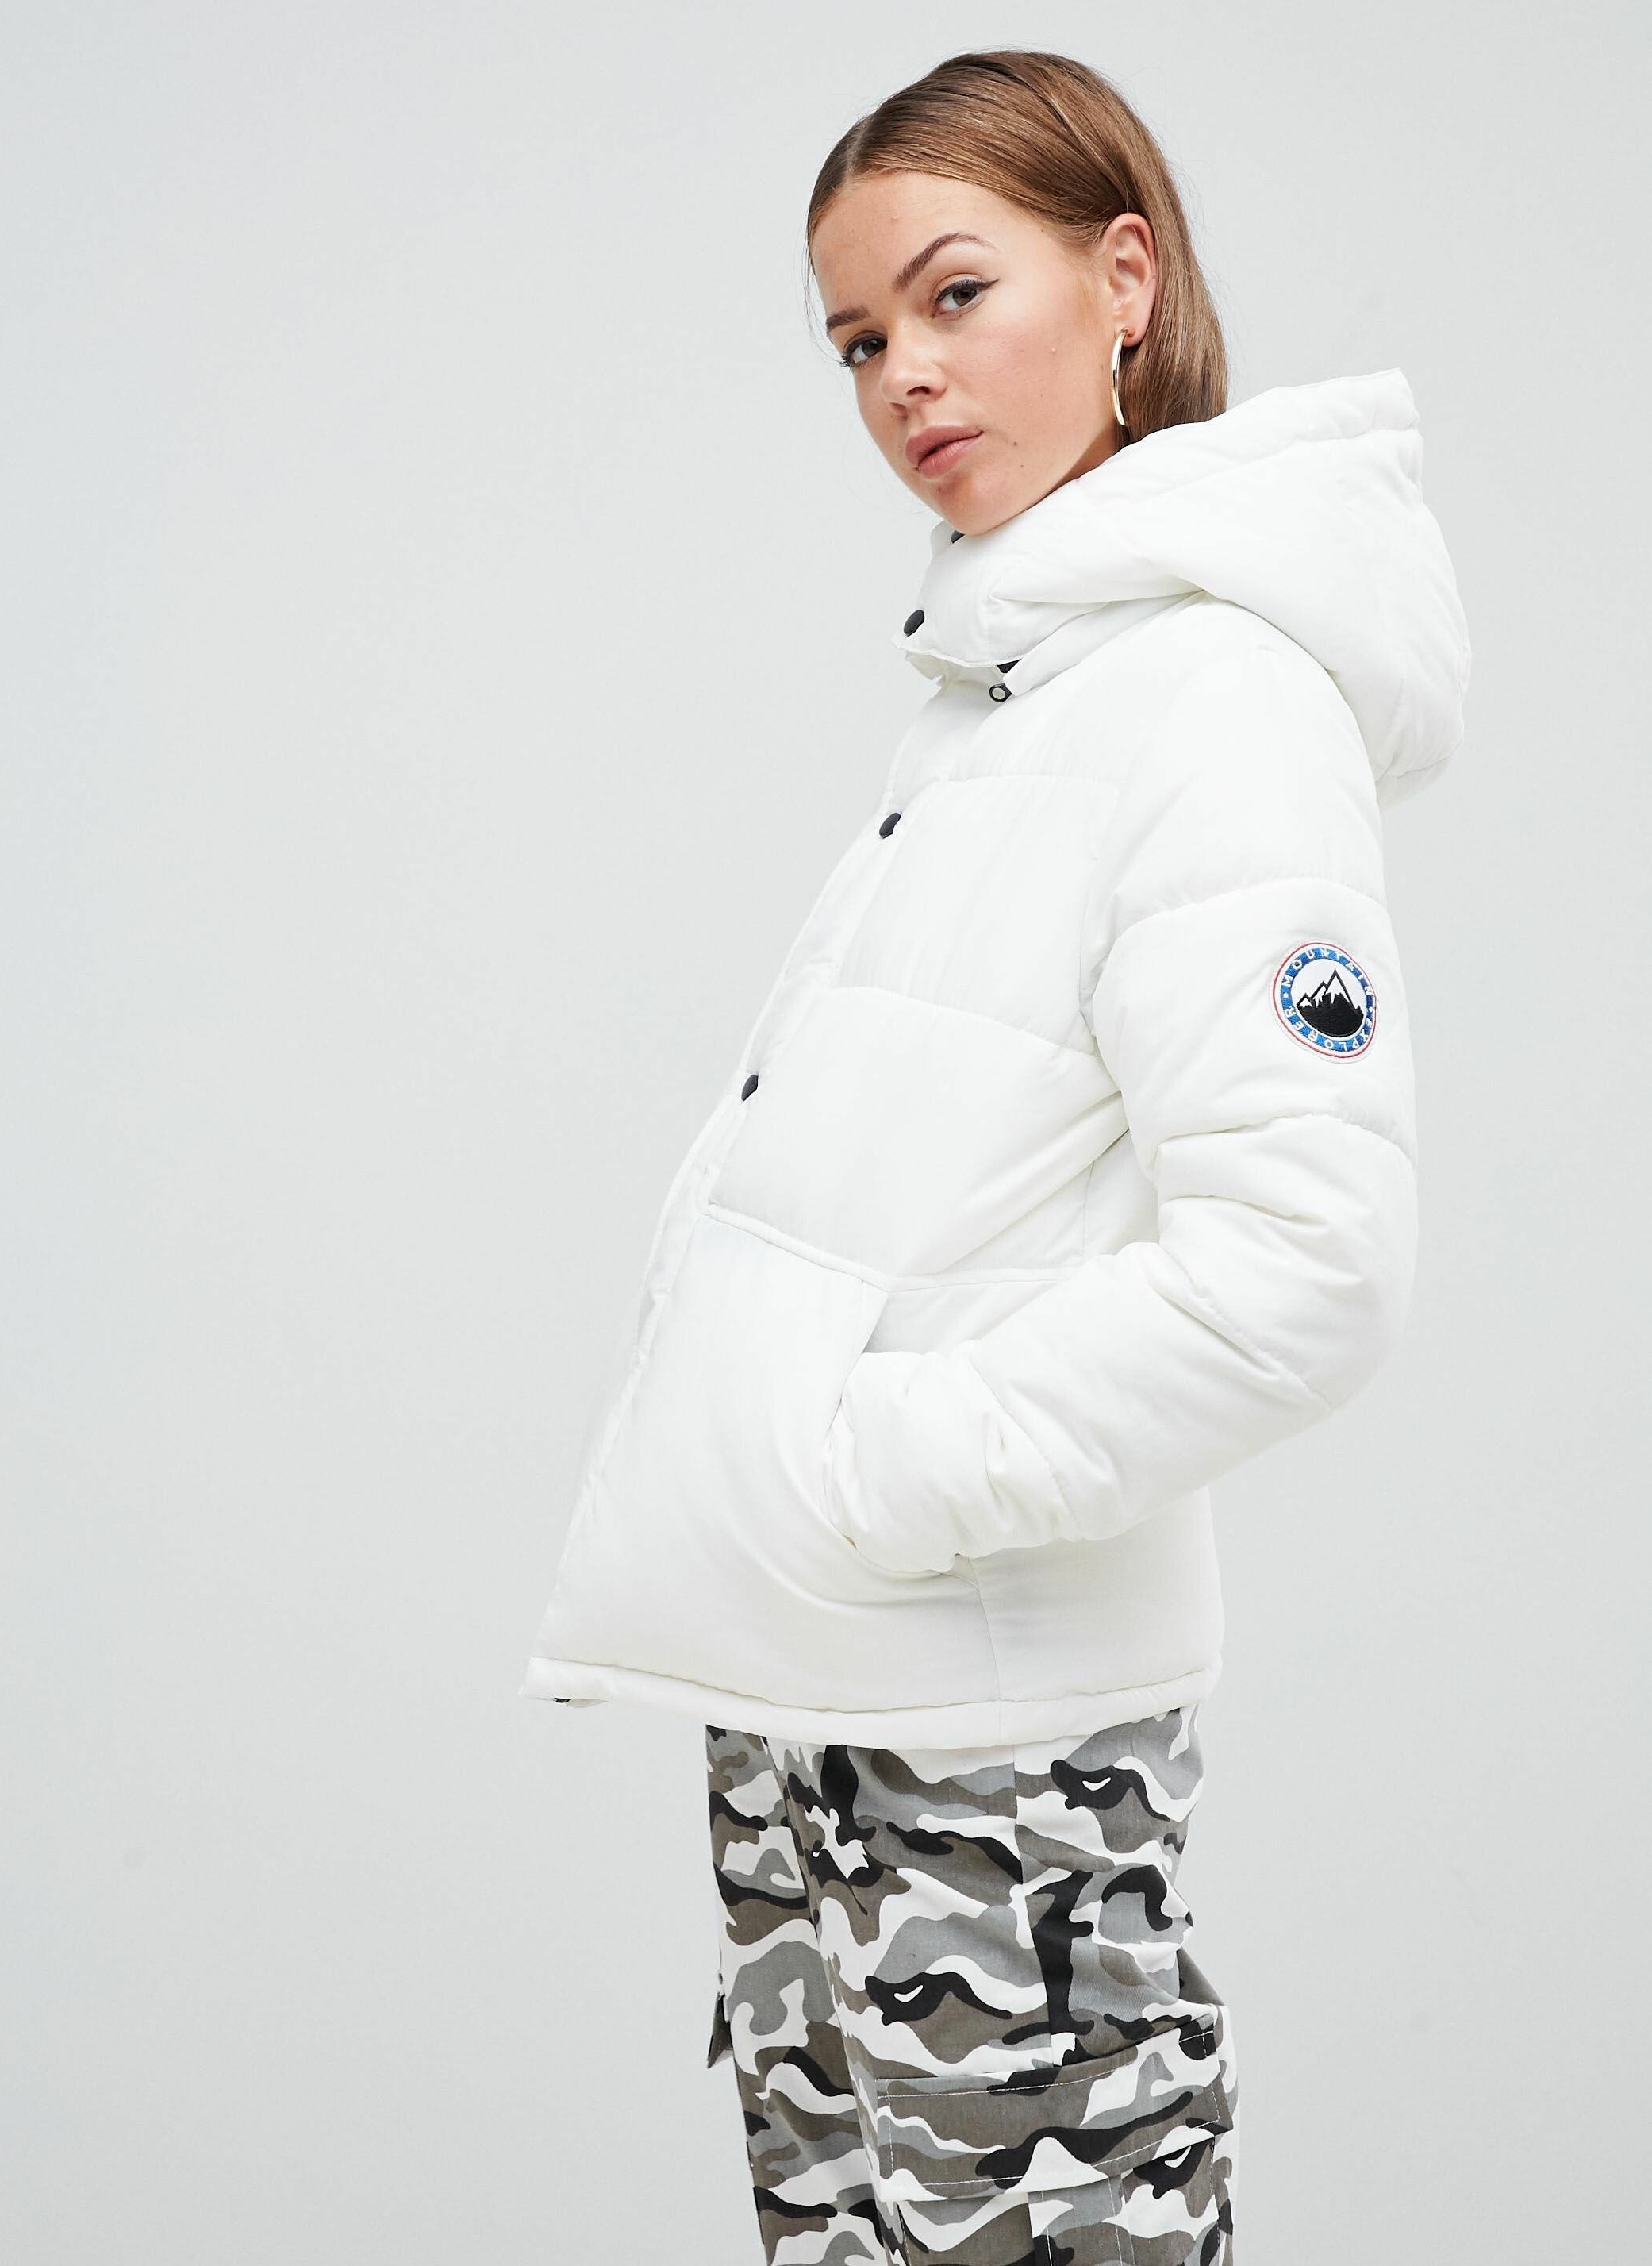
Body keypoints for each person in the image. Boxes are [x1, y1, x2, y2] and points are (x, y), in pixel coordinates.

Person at [517, 46, 1470, 2266]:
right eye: (859, 339)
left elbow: (1308, 1264)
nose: (905, 379)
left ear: (1124, 278)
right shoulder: (1010, 693)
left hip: (987, 1743)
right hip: (815, 1703)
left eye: (955, 296)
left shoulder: (1216, 702)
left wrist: (869, 1475)